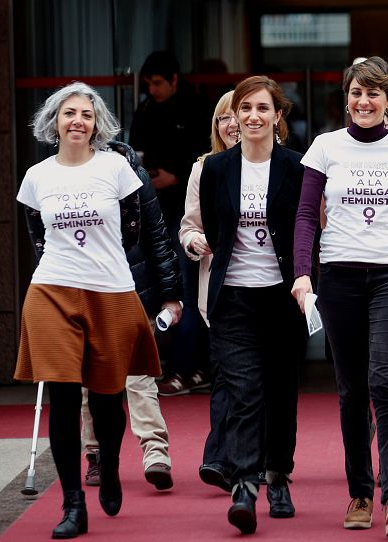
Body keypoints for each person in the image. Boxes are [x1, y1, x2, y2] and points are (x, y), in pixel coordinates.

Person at [14, 81, 165, 538]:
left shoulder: (117, 167)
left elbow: (134, 228)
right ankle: (72, 504)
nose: (77, 120)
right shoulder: (37, 176)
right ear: (54, 122)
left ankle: (112, 463)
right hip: (52, 292)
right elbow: (37, 238)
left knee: (106, 399)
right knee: (62, 396)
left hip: (111, 291)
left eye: (86, 113)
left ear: (96, 123)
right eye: (68, 113)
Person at [292, 56, 388, 539]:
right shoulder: (324, 147)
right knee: (352, 390)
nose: (364, 101)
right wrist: (303, 274)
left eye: (374, 93)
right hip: (338, 278)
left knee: (386, 380)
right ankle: (360, 493)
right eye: (356, 93)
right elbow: (307, 215)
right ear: (346, 98)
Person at [200, 76, 307, 534]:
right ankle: (245, 484)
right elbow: (213, 227)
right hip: (235, 298)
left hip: (283, 298)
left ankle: (277, 474)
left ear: (278, 116)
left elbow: (307, 231)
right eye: (245, 109)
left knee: (281, 393)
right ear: (235, 116)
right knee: (244, 394)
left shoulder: (297, 168)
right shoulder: (217, 168)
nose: (253, 116)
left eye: (263, 108)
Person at [81, 140, 183, 492]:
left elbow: (157, 238)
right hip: (85, 286)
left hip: (131, 286)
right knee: (90, 375)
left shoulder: (131, 173)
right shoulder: (63, 177)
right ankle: (96, 454)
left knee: (139, 374)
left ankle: (156, 454)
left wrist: (171, 295)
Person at [130, 50, 212, 396]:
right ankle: (172, 365)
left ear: (175, 80)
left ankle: (190, 366)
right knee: (164, 292)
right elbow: (133, 154)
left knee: (188, 294)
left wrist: (175, 177)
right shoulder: (145, 110)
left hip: (187, 213)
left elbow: (204, 155)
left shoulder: (195, 107)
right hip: (154, 212)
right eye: (149, 84)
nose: (154, 89)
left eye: (159, 83)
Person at [179, 90, 238, 492]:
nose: (232, 123)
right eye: (223, 118)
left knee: (261, 381)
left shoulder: (285, 164)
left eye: (240, 113)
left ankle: (264, 458)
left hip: (268, 287)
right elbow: (188, 225)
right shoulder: (204, 169)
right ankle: (218, 459)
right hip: (219, 288)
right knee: (226, 376)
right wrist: (195, 241)